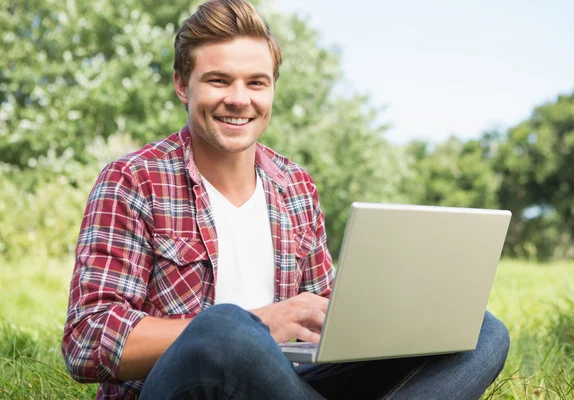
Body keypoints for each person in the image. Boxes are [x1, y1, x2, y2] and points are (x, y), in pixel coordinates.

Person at [62, 0, 510, 398]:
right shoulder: (132, 180)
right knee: (226, 327)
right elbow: (87, 340)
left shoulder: (295, 185)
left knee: (484, 333)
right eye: (219, 80)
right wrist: (261, 323)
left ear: (272, 88)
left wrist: (372, 321)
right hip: (188, 384)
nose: (239, 99)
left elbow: (325, 325)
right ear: (183, 85)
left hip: (284, 382)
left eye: (256, 83)